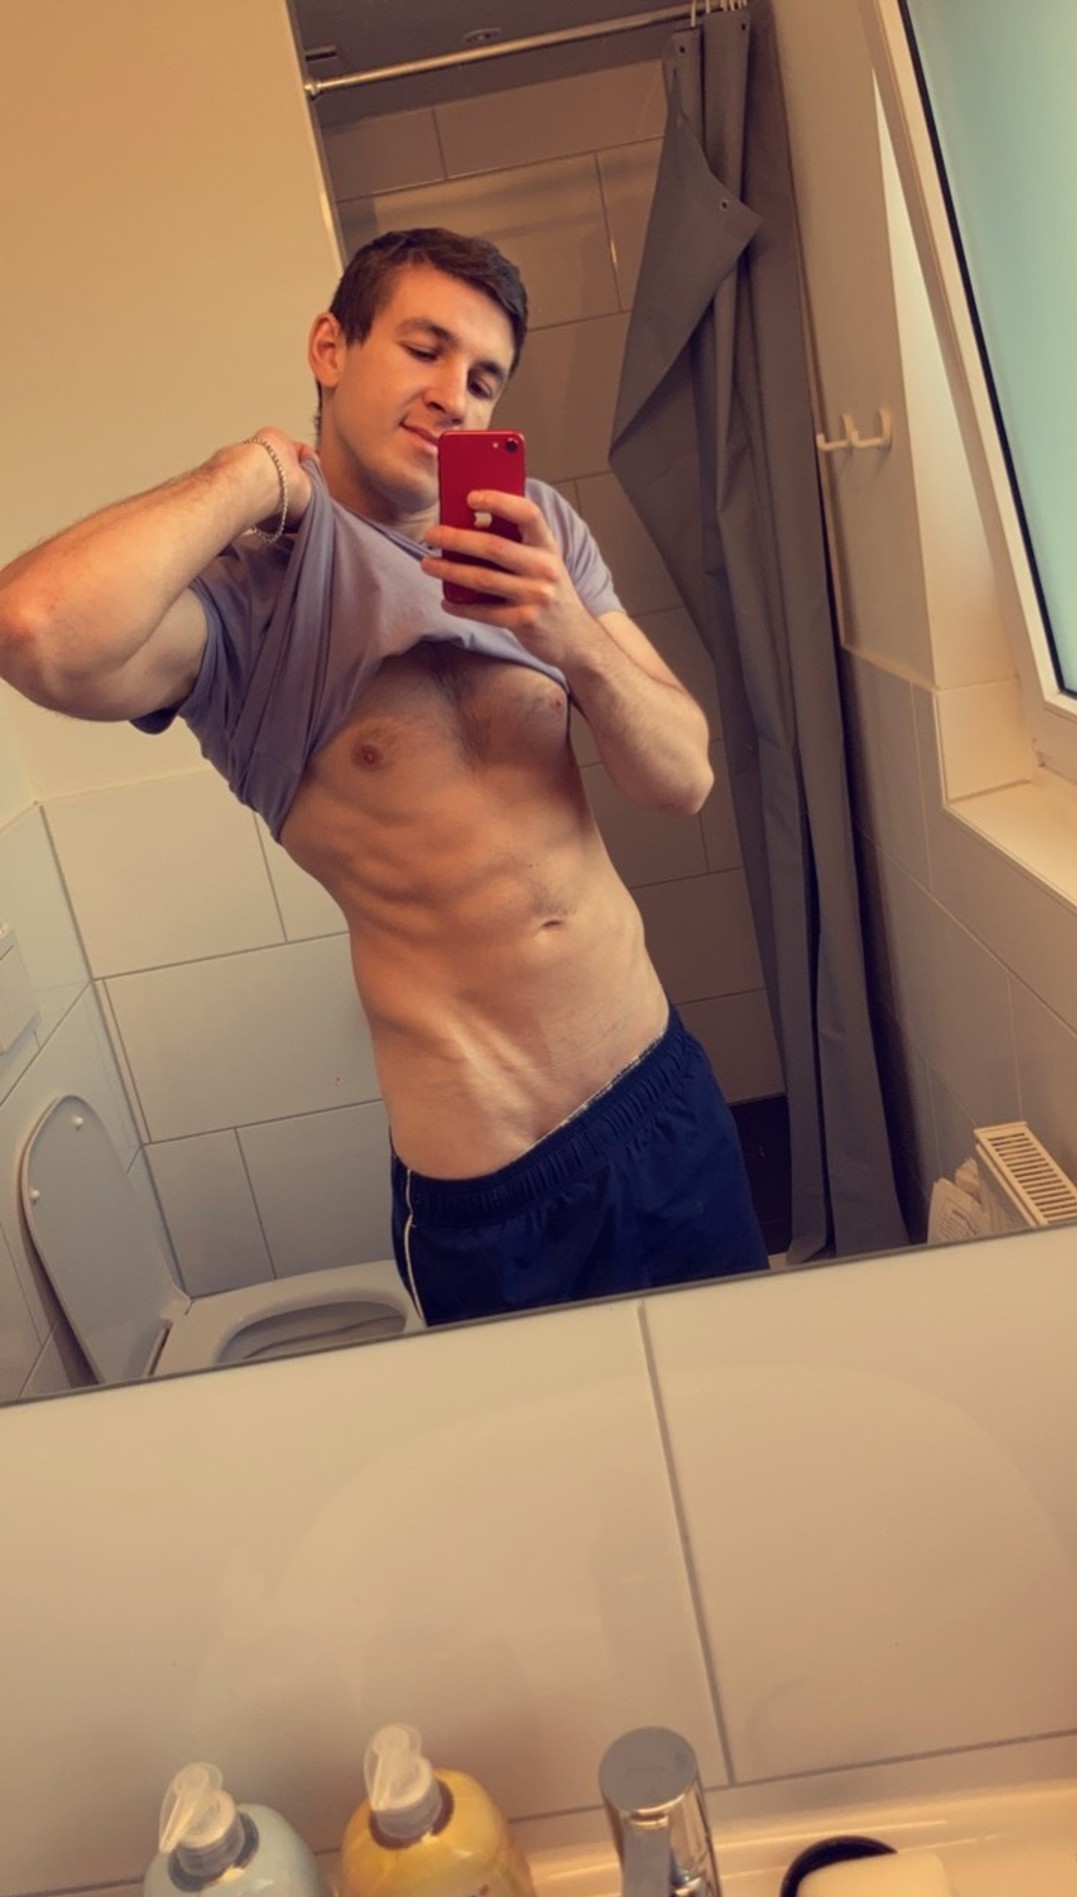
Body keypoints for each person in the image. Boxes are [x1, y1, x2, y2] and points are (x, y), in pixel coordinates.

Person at [0, 227, 767, 1325]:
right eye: (424, 348)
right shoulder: (247, 602)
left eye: (484, 378)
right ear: (331, 347)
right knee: (559, 1440)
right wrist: (249, 474)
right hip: (495, 1187)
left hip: (663, 1097)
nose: (455, 395)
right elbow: (35, 630)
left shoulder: (535, 533)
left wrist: (570, 636)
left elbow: (683, 777)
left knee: (746, 1393)